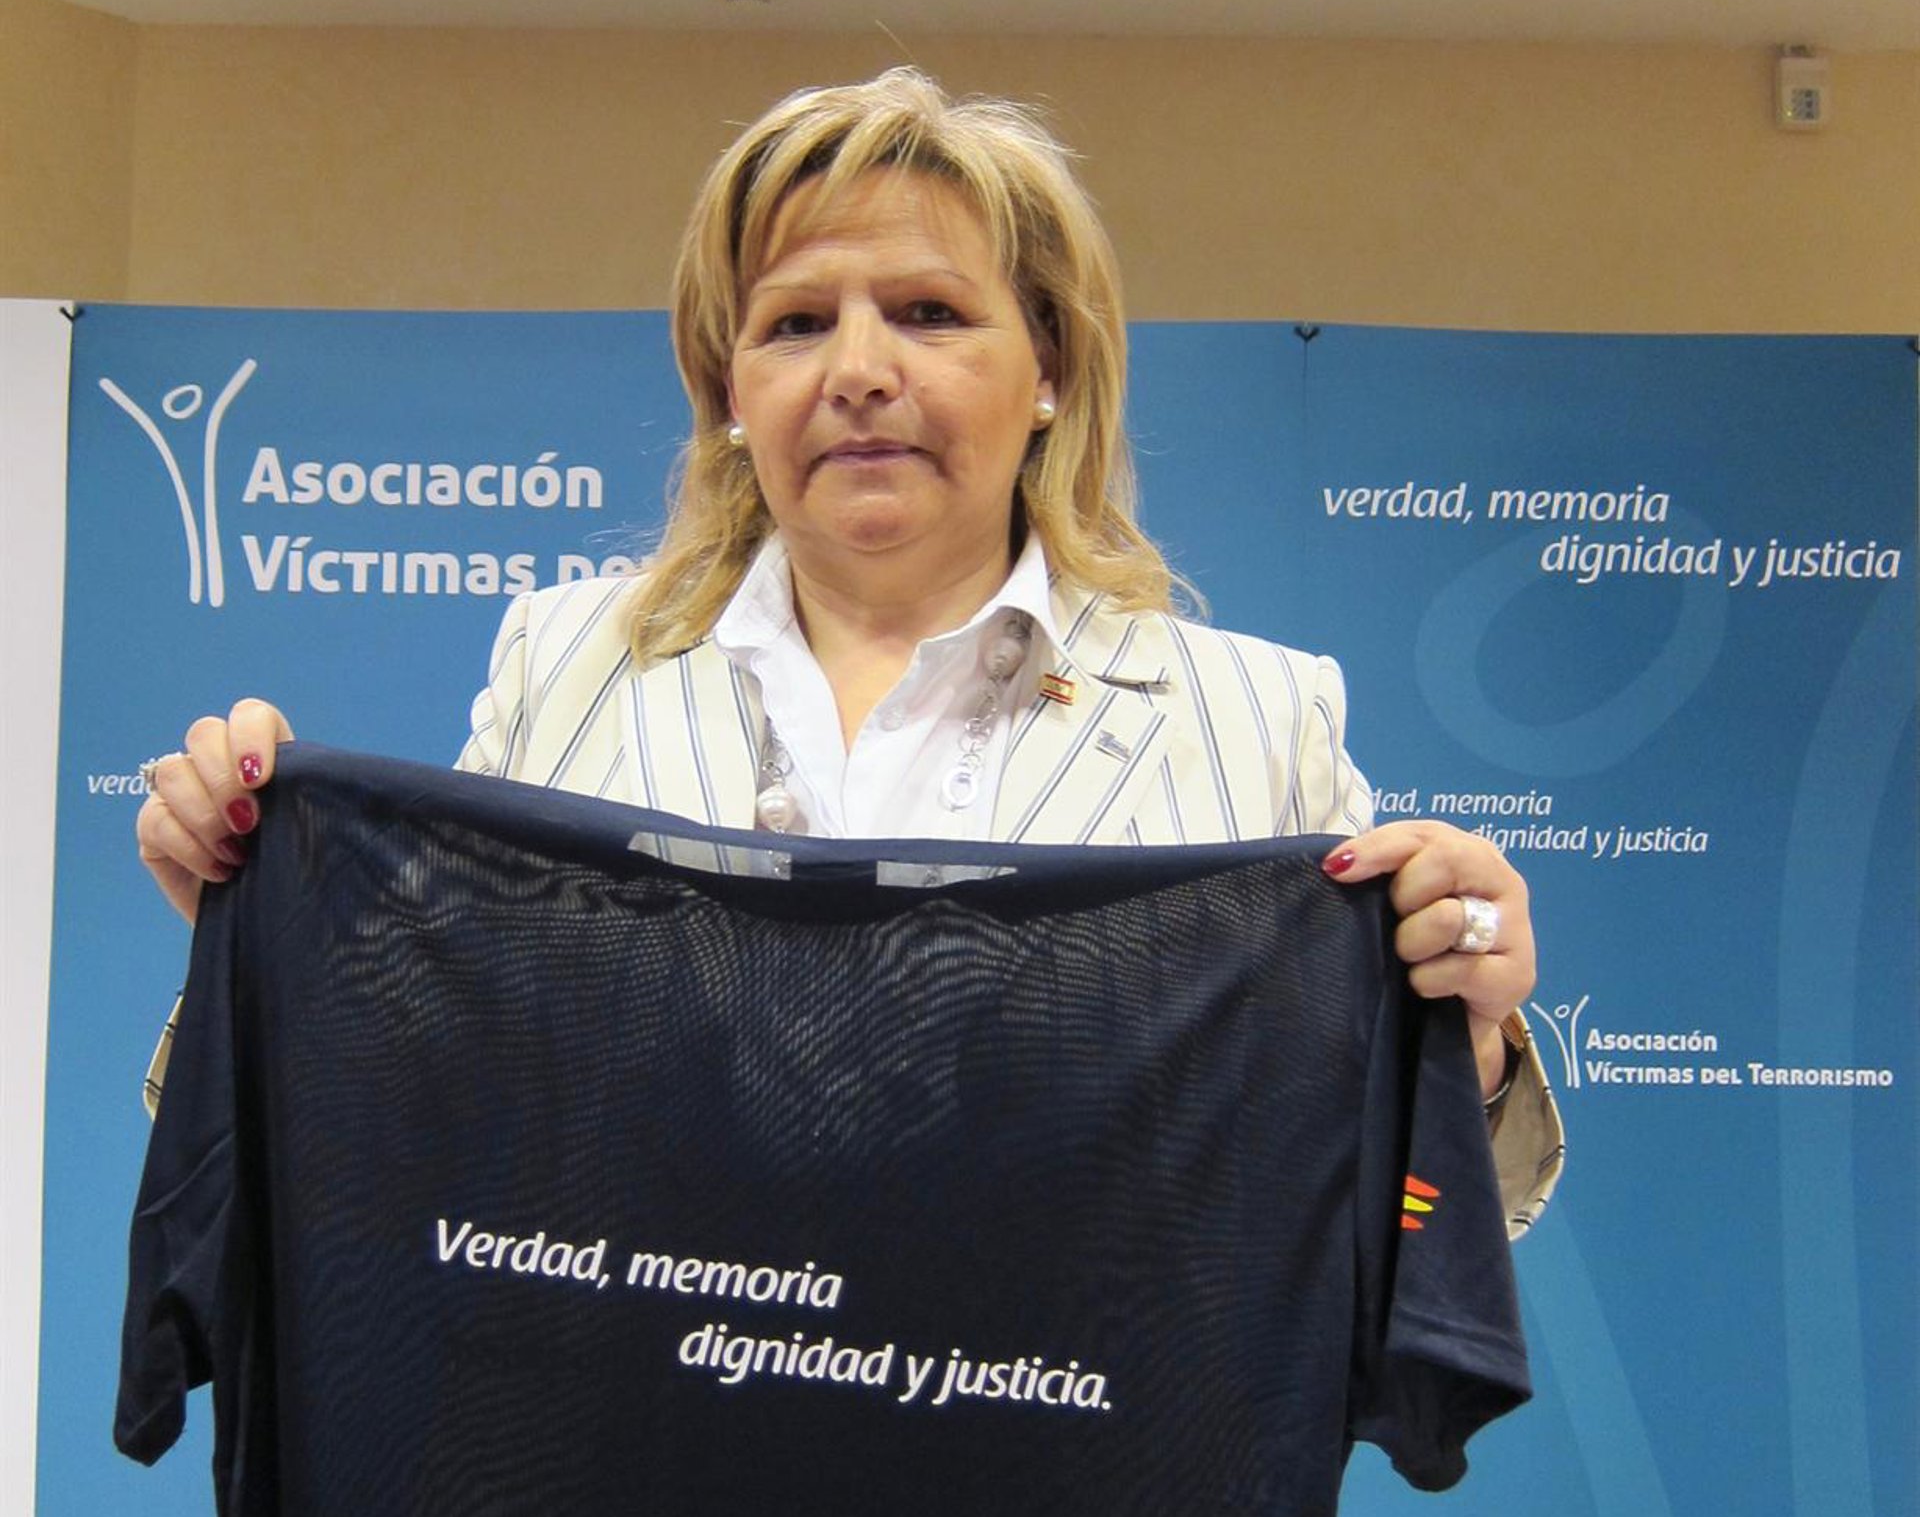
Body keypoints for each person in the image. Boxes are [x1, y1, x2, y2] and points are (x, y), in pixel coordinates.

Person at [134, 65, 1560, 1226]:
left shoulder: (1257, 718)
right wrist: (260, 942)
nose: (860, 371)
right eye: (798, 322)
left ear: (1051, 369)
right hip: (635, 1466)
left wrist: (1469, 1051)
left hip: (1070, 1479)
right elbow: (412, 1110)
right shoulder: (563, 669)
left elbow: (1430, 1213)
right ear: (731, 389)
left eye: (930, 314)